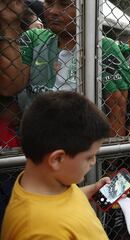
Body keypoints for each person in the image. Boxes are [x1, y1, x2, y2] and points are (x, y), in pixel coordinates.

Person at [0, 0, 130, 137]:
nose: (53, 11)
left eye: (64, 4)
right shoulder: (34, 39)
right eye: (49, 3)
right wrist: (10, 24)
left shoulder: (104, 48)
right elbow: (10, 87)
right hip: (35, 144)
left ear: (85, 8)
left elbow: (117, 112)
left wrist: (108, 157)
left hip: (81, 146)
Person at [1, 91, 111, 239]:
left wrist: (92, 190)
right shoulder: (42, 230)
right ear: (57, 159)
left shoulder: (49, 181)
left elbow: (63, 201)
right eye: (89, 157)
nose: (93, 162)